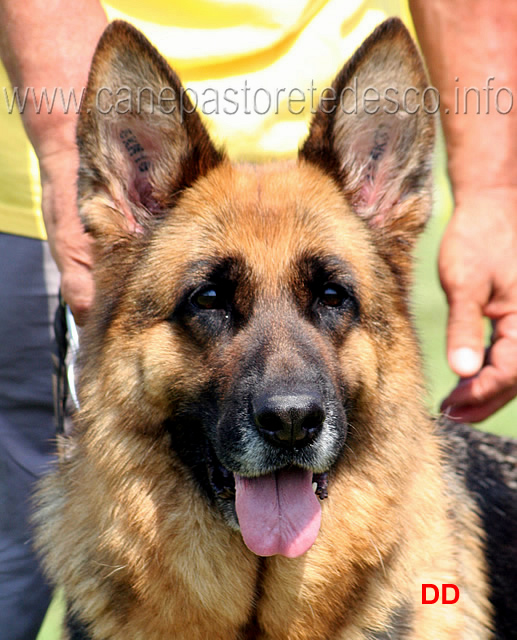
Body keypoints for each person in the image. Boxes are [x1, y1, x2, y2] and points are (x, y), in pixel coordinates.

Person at [0, 1, 516, 637]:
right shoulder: (134, 222)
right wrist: (59, 143)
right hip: (62, 166)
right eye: (211, 302)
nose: (290, 399)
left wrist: (494, 190)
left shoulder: (435, 592)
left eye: (331, 299)